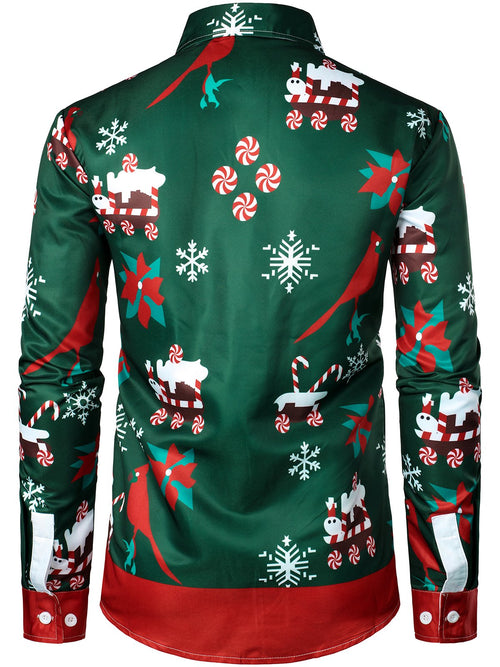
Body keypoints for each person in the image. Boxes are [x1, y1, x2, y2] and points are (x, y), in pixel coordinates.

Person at [18, 3, 481, 661]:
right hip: (342, 580)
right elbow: (442, 372)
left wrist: (53, 596)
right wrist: (446, 597)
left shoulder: (87, 133)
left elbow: (57, 371)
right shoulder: (409, 129)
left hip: (156, 584)